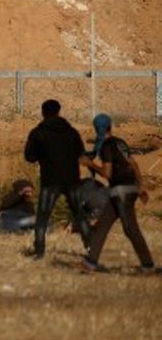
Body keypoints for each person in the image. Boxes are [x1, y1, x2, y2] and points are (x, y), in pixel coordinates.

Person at [83, 114, 156, 273]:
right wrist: (141, 186)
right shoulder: (120, 142)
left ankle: (148, 266)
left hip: (121, 190)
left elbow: (107, 174)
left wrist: (90, 164)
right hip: (124, 190)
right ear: (110, 126)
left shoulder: (106, 146)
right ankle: (89, 264)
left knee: (130, 229)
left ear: (96, 129)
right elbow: (134, 164)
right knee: (102, 226)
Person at [24, 99, 93, 259]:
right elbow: (81, 154)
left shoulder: (38, 133)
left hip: (50, 181)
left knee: (42, 217)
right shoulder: (71, 132)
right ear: (59, 111)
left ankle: (39, 251)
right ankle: (90, 247)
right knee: (79, 214)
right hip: (72, 180)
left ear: (43, 113)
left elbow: (30, 157)